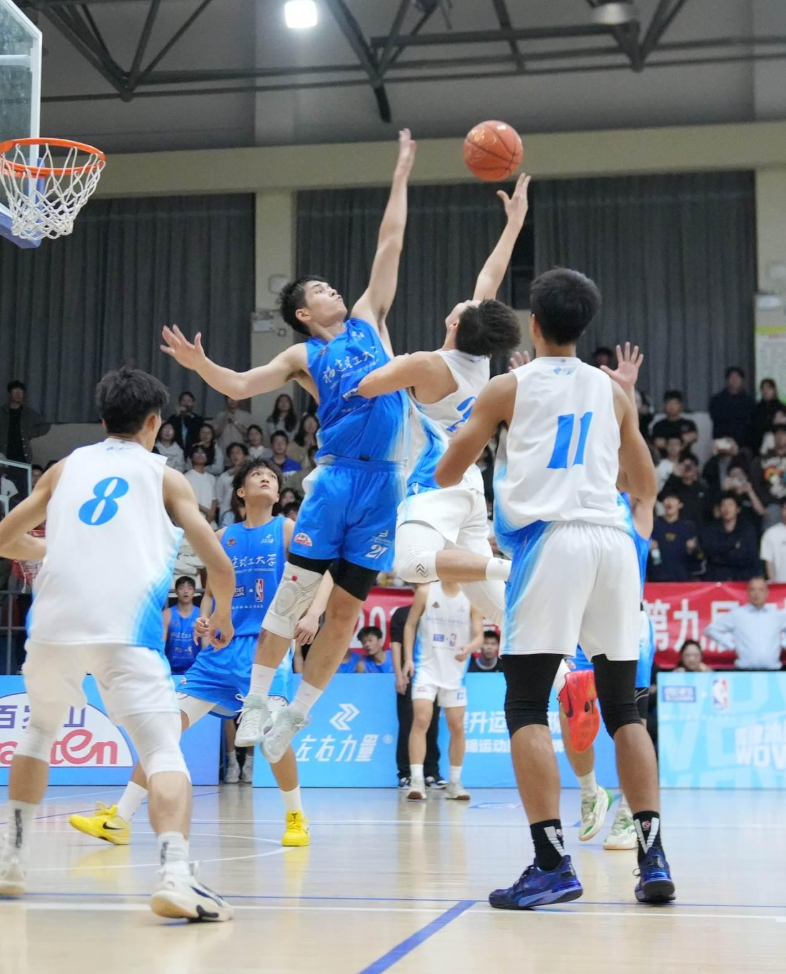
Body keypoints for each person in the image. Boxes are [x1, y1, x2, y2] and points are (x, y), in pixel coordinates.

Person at [162, 129, 417, 763]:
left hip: (384, 483)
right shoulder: (305, 354)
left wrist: (401, 174)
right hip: (335, 479)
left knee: (346, 615)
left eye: (332, 285)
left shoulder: (369, 320)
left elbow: (390, 243)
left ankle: (294, 714)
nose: (334, 290)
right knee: (294, 595)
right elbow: (240, 385)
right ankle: (255, 702)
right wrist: (200, 365)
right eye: (321, 289)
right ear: (304, 313)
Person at [435, 270, 674, 908]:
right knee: (625, 709)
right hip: (613, 543)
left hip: (550, 543)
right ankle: (652, 856)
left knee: (525, 705)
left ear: (533, 325)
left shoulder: (507, 387)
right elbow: (644, 485)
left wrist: (477, 428)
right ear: (584, 326)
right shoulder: (613, 392)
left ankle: (551, 863)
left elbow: (447, 471)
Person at [0, 367, 235, 921]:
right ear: (154, 422)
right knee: (161, 752)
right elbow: (219, 565)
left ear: (103, 417)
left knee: (39, 734)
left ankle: (11, 860)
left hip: (53, 627)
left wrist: (55, 549)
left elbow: (6, 538)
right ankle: (175, 873)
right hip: (125, 632)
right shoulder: (165, 477)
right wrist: (221, 612)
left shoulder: (64, 468)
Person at [70, 458, 315, 849]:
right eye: (257, 475)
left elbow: (316, 573)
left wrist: (311, 614)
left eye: (271, 475)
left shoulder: (285, 529)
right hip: (219, 653)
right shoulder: (223, 536)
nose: (266, 478)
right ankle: (119, 819)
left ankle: (296, 818)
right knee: (163, 729)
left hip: (265, 648)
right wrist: (206, 619)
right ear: (240, 492)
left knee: (273, 738)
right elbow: (213, 591)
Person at [354, 173, 529, 629]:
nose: (469, 300)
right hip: (466, 482)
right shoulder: (479, 357)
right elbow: (490, 278)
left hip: (435, 481)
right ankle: (564, 665)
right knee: (498, 610)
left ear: (454, 324)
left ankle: (509, 566)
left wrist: (390, 358)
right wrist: (514, 223)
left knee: (412, 565)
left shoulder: (428, 365)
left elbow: (366, 386)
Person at [403, 581, 482, 801]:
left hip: (455, 672)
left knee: (457, 726)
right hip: (426, 668)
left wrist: (470, 647)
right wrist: (408, 659)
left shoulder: (471, 596)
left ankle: (455, 782)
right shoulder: (425, 591)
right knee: (421, 720)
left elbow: (479, 636)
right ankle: (416, 780)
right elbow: (410, 625)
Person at [390, 601, 443, 789]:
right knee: (408, 724)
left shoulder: (438, 613)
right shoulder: (402, 613)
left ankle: (431, 772)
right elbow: (395, 645)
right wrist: (399, 675)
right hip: (410, 676)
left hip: (433, 676)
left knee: (432, 723)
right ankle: (405, 773)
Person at [705, 576, 786, 670]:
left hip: (773, 671)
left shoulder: (776, 615)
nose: (756, 593)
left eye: (761, 590)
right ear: (747, 593)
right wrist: (732, 646)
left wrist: (782, 645)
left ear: (767, 593)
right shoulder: (738, 614)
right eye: (752, 590)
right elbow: (711, 629)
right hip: (745, 671)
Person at [701, 492, 760, 581]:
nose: (726, 509)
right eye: (723, 505)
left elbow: (749, 556)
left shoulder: (747, 529)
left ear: (738, 509)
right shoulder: (710, 529)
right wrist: (733, 545)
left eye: (730, 505)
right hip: (717, 578)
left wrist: (722, 551)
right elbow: (710, 553)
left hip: (742, 578)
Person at [650, 492, 702, 582]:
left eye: (673, 499)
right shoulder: (654, 525)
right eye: (667, 499)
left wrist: (693, 549)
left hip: (683, 578)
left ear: (680, 504)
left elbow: (698, 558)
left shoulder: (688, 526)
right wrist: (651, 550)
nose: (669, 502)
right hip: (658, 578)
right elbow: (653, 559)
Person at [0, 380, 50, 465]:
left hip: (22, 454)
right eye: (15, 391)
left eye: (20, 391)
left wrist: (30, 433)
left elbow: (45, 426)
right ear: (9, 394)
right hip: (3, 454)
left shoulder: (28, 412)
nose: (18, 394)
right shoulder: (1, 412)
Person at [660, 451, 710, 528]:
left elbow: (708, 512)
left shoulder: (703, 488)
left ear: (696, 468)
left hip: (698, 529)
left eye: (690, 466)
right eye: (684, 466)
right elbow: (662, 497)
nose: (687, 469)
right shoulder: (674, 486)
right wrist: (674, 475)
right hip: (677, 529)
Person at [163, 576, 201, 675]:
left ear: (194, 591)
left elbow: (206, 646)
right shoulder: (167, 614)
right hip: (170, 669)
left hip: (195, 669)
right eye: (181, 588)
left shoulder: (201, 615)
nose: (185, 591)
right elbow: (161, 643)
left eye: (189, 588)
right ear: (176, 591)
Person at [751, 422, 786, 529]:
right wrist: (765, 502)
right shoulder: (762, 459)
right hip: (771, 504)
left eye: (784, 434)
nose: (780, 437)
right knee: (773, 511)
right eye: (778, 434)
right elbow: (756, 484)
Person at [709, 367, 755, 449]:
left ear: (742, 380)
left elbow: (750, 421)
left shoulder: (749, 401)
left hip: (743, 442)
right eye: (732, 377)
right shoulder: (717, 399)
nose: (735, 380)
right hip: (722, 440)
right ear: (727, 380)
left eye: (737, 377)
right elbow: (715, 418)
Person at [185, 444, 217, 528]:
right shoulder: (186, 477)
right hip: (193, 520)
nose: (200, 455)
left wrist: (211, 513)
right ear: (191, 457)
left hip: (211, 522)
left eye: (203, 453)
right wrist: (207, 511)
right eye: (197, 453)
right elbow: (188, 499)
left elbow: (214, 499)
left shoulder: (212, 478)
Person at [216, 442, 249, 524]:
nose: (235, 455)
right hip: (227, 515)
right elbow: (219, 499)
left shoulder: (249, 475)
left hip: (246, 514)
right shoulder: (224, 476)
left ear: (244, 455)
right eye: (232, 453)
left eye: (238, 452)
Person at [751, 379, 783, 454]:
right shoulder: (756, 409)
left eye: (768, 388)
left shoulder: (781, 408)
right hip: (759, 446)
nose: (766, 391)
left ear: (774, 390)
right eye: (763, 388)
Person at [761, 497, 786, 582]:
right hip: (781, 585)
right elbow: (769, 563)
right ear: (781, 510)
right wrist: (775, 585)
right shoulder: (770, 534)